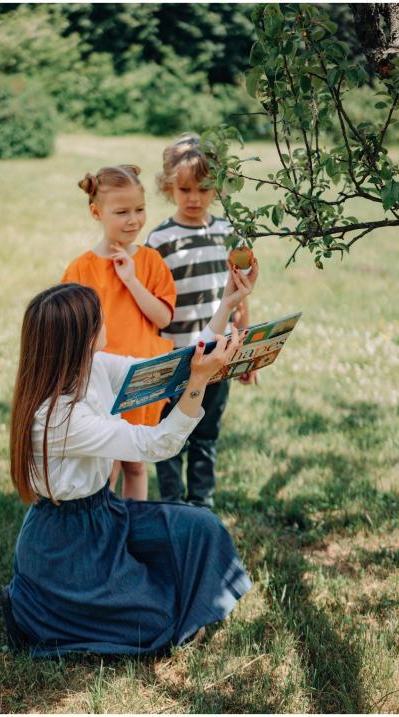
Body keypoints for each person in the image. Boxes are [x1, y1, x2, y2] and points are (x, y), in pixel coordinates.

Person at [2, 262, 258, 658]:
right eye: (98, 319)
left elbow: (169, 371)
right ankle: (43, 610)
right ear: (79, 340)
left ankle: (143, 589)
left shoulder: (93, 366)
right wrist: (199, 383)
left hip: (106, 513)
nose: (106, 319)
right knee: (154, 624)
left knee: (200, 527)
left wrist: (226, 306)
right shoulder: (57, 419)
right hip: (65, 544)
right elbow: (157, 445)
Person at [145, 133, 257, 509]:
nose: (194, 198)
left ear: (218, 187)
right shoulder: (160, 240)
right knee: (169, 432)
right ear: (168, 187)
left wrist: (244, 350)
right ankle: (174, 505)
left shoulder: (229, 235)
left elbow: (240, 295)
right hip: (175, 355)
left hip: (218, 353)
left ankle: (202, 505)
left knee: (206, 433)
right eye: (185, 189)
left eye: (204, 188)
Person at [61, 165, 176, 501]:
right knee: (106, 464)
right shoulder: (81, 269)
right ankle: (105, 527)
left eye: (140, 210)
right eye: (122, 212)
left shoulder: (152, 262)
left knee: (136, 463)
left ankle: (134, 527)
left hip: (143, 375)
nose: (133, 220)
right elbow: (71, 330)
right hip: (100, 382)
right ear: (97, 212)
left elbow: (163, 316)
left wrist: (131, 280)